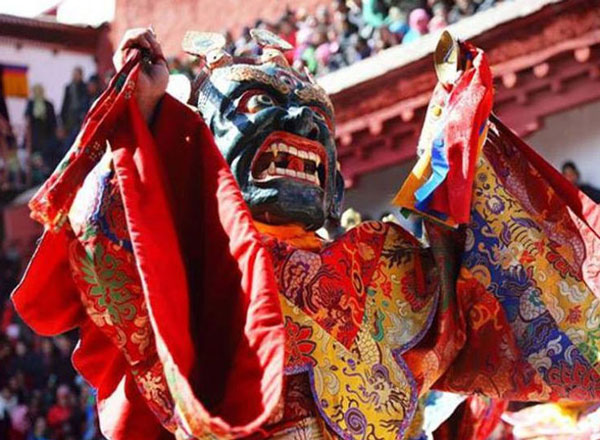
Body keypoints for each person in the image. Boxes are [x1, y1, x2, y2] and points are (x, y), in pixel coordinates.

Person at [12, 28, 600, 440]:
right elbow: (107, 250)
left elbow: (467, 294)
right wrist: (145, 117)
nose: (299, 124)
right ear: (204, 152)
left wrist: (452, 132)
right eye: (255, 104)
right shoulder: (197, 262)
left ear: (338, 184)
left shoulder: (382, 264)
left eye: (318, 118)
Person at [59, 67, 89, 136]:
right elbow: (65, 103)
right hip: (70, 117)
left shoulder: (84, 87)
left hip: (80, 117)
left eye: (77, 74)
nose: (75, 76)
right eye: (74, 74)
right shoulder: (68, 87)